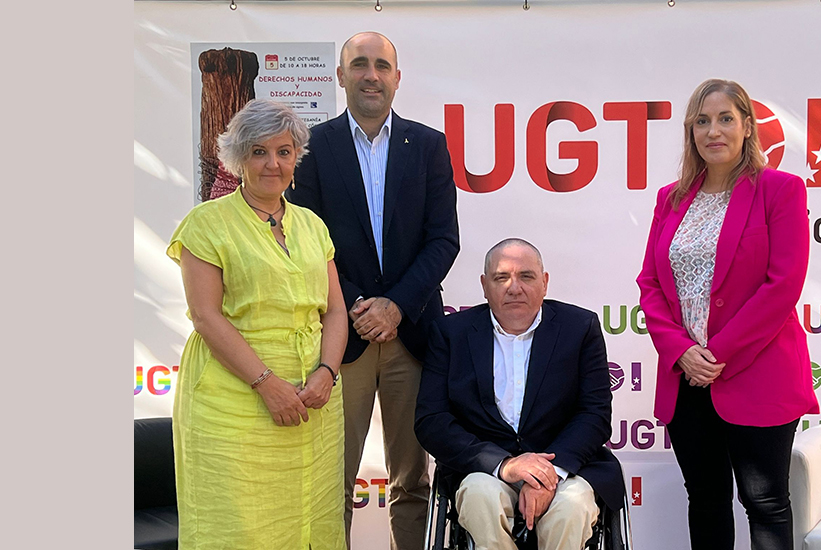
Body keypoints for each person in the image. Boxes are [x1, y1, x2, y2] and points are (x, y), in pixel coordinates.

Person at [286, 31, 460, 550]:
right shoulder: (312, 149)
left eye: (382, 66)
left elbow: (443, 240)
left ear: (397, 78)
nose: (371, 75)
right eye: (359, 64)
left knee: (413, 481)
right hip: (342, 337)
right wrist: (359, 306)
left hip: (413, 336)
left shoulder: (428, 145)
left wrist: (396, 306)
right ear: (340, 75)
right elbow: (307, 243)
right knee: (331, 480)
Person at [636, 78, 820, 550]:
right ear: (690, 131)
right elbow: (650, 284)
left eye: (725, 119)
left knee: (766, 503)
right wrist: (681, 351)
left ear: (747, 127)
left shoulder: (780, 190)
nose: (713, 131)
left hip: (757, 372)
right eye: (702, 121)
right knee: (705, 500)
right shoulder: (670, 199)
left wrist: (716, 354)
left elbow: (782, 286)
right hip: (686, 378)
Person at [166, 99, 349, 549]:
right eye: (259, 152)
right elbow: (206, 317)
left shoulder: (312, 225)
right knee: (237, 527)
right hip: (234, 403)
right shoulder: (206, 223)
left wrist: (327, 372)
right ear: (238, 158)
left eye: (284, 152)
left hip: (314, 404)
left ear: (296, 157)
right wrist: (267, 384)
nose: (273, 164)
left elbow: (335, 311)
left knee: (313, 522)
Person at [415, 239, 625, 550]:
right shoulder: (450, 334)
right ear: (484, 286)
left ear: (545, 282)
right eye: (501, 278)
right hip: (485, 470)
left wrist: (548, 474)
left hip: (566, 469)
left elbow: (594, 414)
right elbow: (432, 421)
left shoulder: (580, 328)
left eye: (526, 276)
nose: (514, 288)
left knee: (572, 507)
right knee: (479, 496)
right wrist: (504, 465)